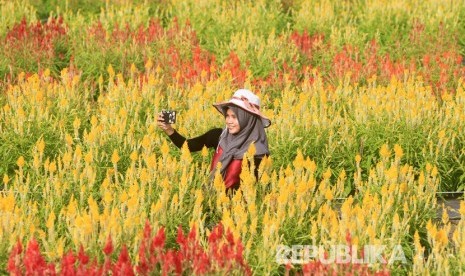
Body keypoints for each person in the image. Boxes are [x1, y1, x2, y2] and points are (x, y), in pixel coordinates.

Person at [157, 89, 271, 192]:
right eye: (227, 115)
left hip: (238, 210)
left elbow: (258, 189)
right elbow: (187, 146)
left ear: (248, 119)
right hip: (210, 200)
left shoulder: (258, 153)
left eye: (234, 117)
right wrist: (169, 130)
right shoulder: (219, 136)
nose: (229, 121)